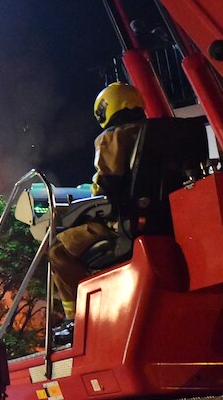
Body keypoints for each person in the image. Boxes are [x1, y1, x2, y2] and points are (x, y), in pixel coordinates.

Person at [48, 82, 148, 341]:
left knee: (59, 251)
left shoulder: (113, 136)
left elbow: (108, 184)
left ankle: (77, 321)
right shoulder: (159, 133)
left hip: (121, 224)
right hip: (164, 219)